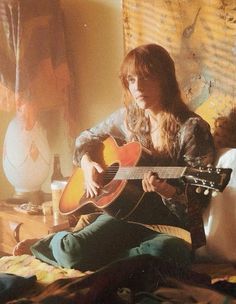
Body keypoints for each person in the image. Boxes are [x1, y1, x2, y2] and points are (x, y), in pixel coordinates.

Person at [13, 44, 216, 271]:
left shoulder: (192, 129)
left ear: (165, 79)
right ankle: (51, 243)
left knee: (169, 253)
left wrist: (166, 190)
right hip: (128, 215)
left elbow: (199, 203)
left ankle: (110, 257)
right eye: (131, 80)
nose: (137, 87)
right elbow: (84, 138)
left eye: (146, 78)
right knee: (72, 252)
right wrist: (88, 164)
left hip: (170, 225)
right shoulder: (130, 118)